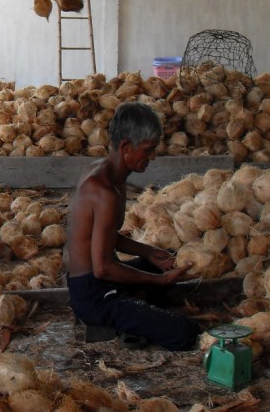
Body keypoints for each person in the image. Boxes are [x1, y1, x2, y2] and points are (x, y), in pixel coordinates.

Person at [65, 101, 200, 351]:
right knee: (186, 333)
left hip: (95, 281)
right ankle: (126, 312)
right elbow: (103, 269)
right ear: (126, 147)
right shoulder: (104, 191)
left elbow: (103, 236)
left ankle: (135, 305)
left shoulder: (109, 175)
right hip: (93, 295)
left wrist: (148, 252)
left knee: (161, 263)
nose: (153, 156)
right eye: (148, 150)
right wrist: (157, 282)